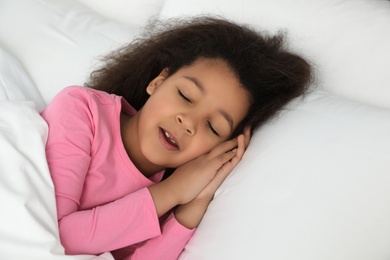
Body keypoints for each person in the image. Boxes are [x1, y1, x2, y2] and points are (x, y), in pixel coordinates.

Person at [41, 16, 312, 260]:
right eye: (185, 95)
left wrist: (194, 204)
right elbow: (54, 234)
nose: (189, 122)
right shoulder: (83, 109)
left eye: (213, 127)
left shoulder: (170, 198)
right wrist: (172, 191)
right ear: (158, 82)